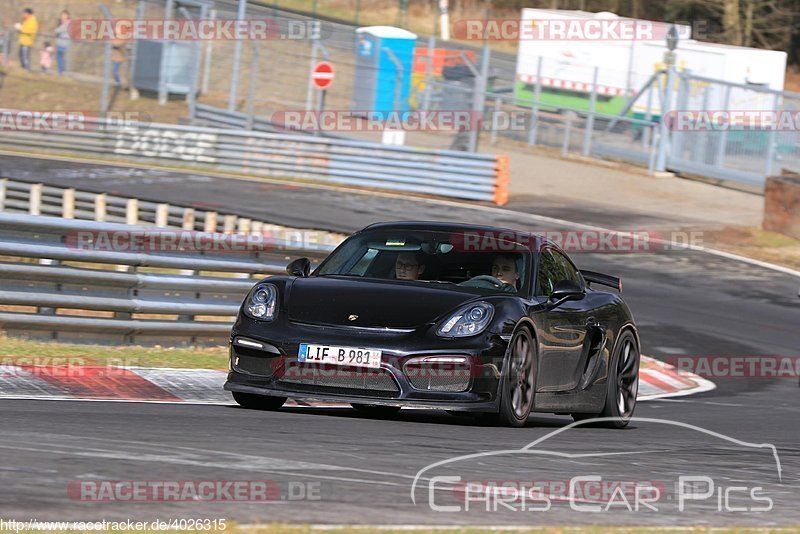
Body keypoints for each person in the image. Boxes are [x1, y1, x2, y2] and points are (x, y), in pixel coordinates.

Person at [54, 10, 71, 75]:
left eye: (64, 15)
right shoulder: (61, 22)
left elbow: (59, 30)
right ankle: (60, 71)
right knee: (59, 57)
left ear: (67, 16)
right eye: (62, 15)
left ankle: (62, 71)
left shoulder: (68, 23)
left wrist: (56, 30)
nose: (62, 16)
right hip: (60, 43)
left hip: (64, 43)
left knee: (62, 57)